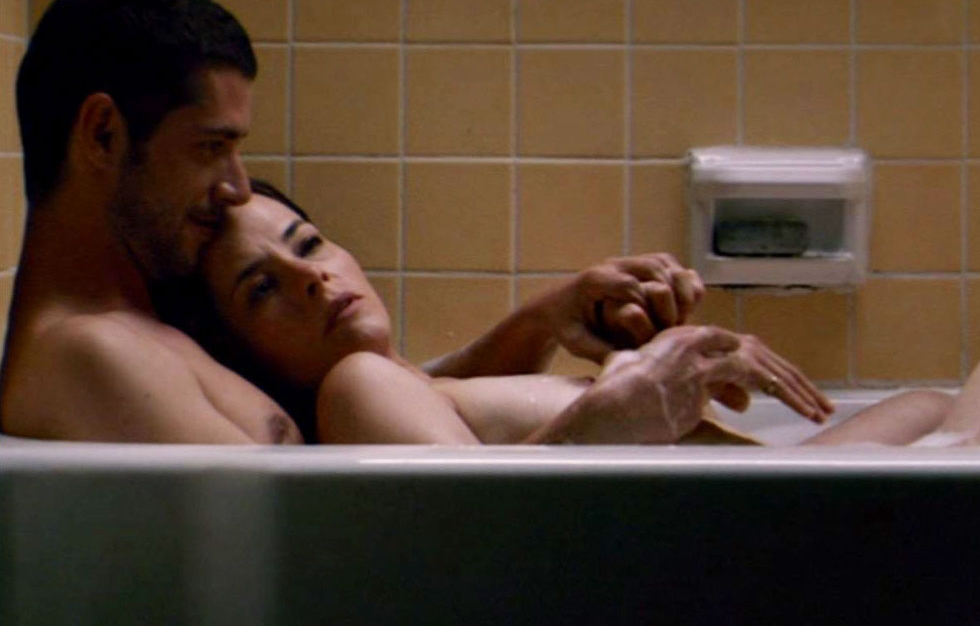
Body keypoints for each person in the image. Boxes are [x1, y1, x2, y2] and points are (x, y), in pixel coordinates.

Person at [0, 0, 806, 445]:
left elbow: (385, 444)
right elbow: (331, 564)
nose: (237, 186)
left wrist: (541, 321)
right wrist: (608, 426)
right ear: (103, 134)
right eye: (211, 147)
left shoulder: (136, 331)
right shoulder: (92, 354)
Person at [182, 180, 834, 445]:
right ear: (240, 354)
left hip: (782, 509)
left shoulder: (412, 388)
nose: (311, 278)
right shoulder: (356, 386)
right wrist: (607, 419)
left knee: (902, 419)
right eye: (261, 290)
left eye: (308, 244)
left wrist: (547, 317)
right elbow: (480, 536)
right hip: (781, 533)